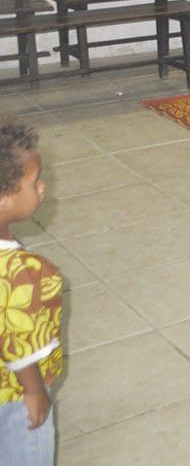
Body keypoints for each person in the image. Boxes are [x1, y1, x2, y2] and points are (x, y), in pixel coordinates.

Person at [0, 121, 61, 462]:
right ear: (5, 198)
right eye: (33, 181)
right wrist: (35, 390)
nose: (42, 186)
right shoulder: (20, 271)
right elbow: (18, 344)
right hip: (13, 392)